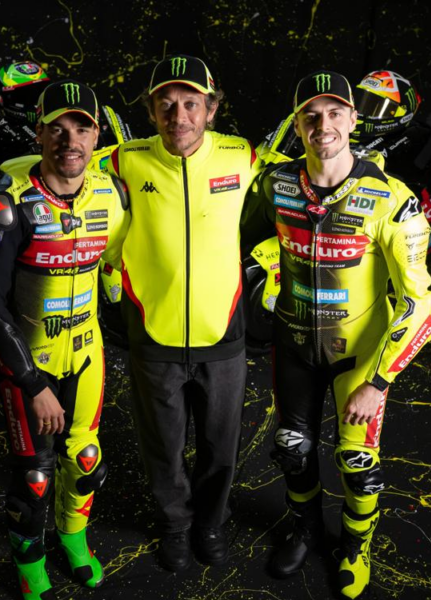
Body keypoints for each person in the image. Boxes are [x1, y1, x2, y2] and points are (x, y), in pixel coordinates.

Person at [240, 71, 431, 600]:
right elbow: (238, 239)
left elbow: (427, 305)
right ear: (297, 125)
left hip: (361, 357)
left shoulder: (392, 200)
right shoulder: (275, 184)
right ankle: (304, 530)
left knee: (357, 460)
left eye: (335, 113)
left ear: (354, 120)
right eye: (311, 115)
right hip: (294, 347)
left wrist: (378, 381)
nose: (323, 125)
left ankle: (357, 544)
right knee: (292, 449)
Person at [0, 79, 130, 600]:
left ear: (97, 135)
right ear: (38, 133)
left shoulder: (112, 193)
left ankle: (73, 537)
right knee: (35, 479)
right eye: (57, 127)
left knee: (85, 459)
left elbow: (115, 262)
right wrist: (31, 382)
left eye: (82, 127)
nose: (70, 140)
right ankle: (29, 561)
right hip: (29, 365)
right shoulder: (5, 202)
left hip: (87, 353)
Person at [107, 54, 261, 571]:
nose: (179, 117)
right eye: (166, 104)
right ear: (151, 111)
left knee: (220, 446)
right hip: (154, 333)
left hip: (223, 334)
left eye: (191, 104)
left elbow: (311, 177)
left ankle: (210, 522)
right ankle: (174, 525)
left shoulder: (243, 156)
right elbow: (63, 162)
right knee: (163, 446)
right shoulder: (123, 160)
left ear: (211, 110)